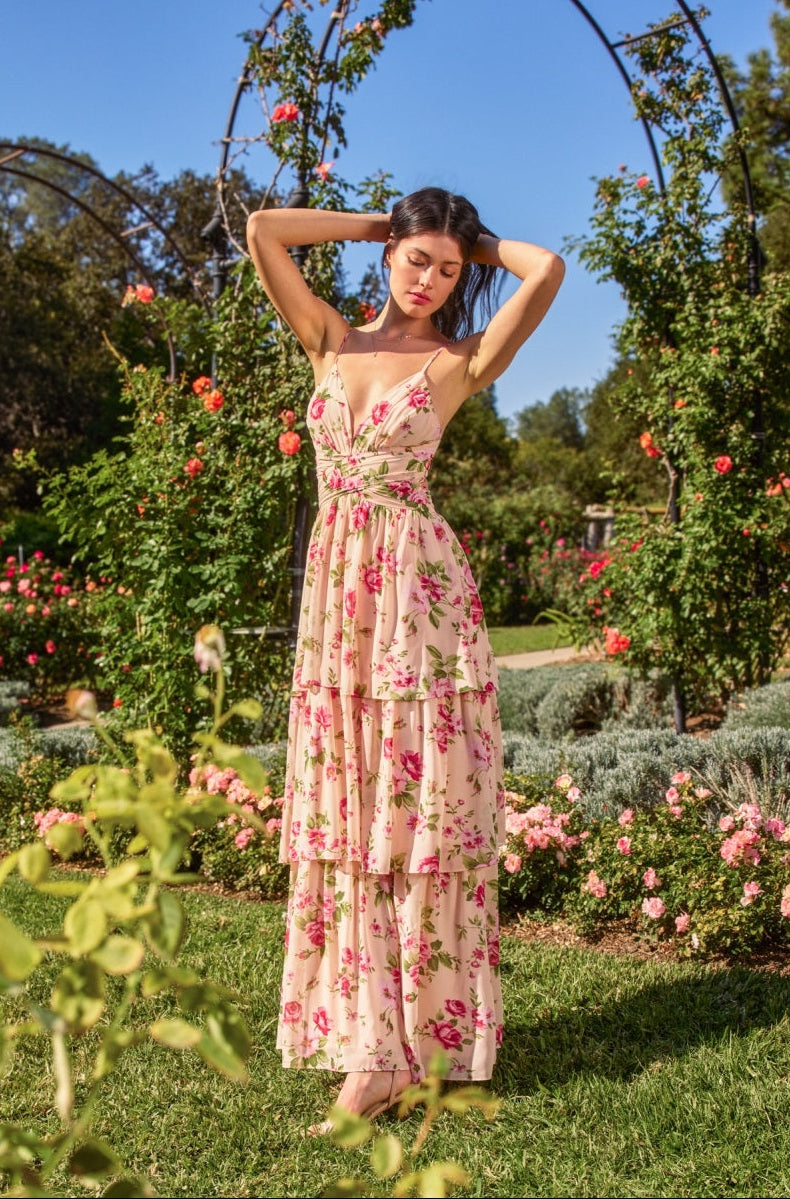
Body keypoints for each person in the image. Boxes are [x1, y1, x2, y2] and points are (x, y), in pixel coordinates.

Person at [246, 187, 564, 1130]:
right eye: (417, 259)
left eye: (448, 270)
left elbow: (546, 269)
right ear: (390, 254)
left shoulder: (458, 362)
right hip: (338, 607)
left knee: (409, 811)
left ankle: (393, 1054)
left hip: (418, 605)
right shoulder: (330, 340)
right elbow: (264, 232)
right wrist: (383, 225)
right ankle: (374, 1041)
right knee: (348, 813)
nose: (429, 280)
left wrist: (474, 241)